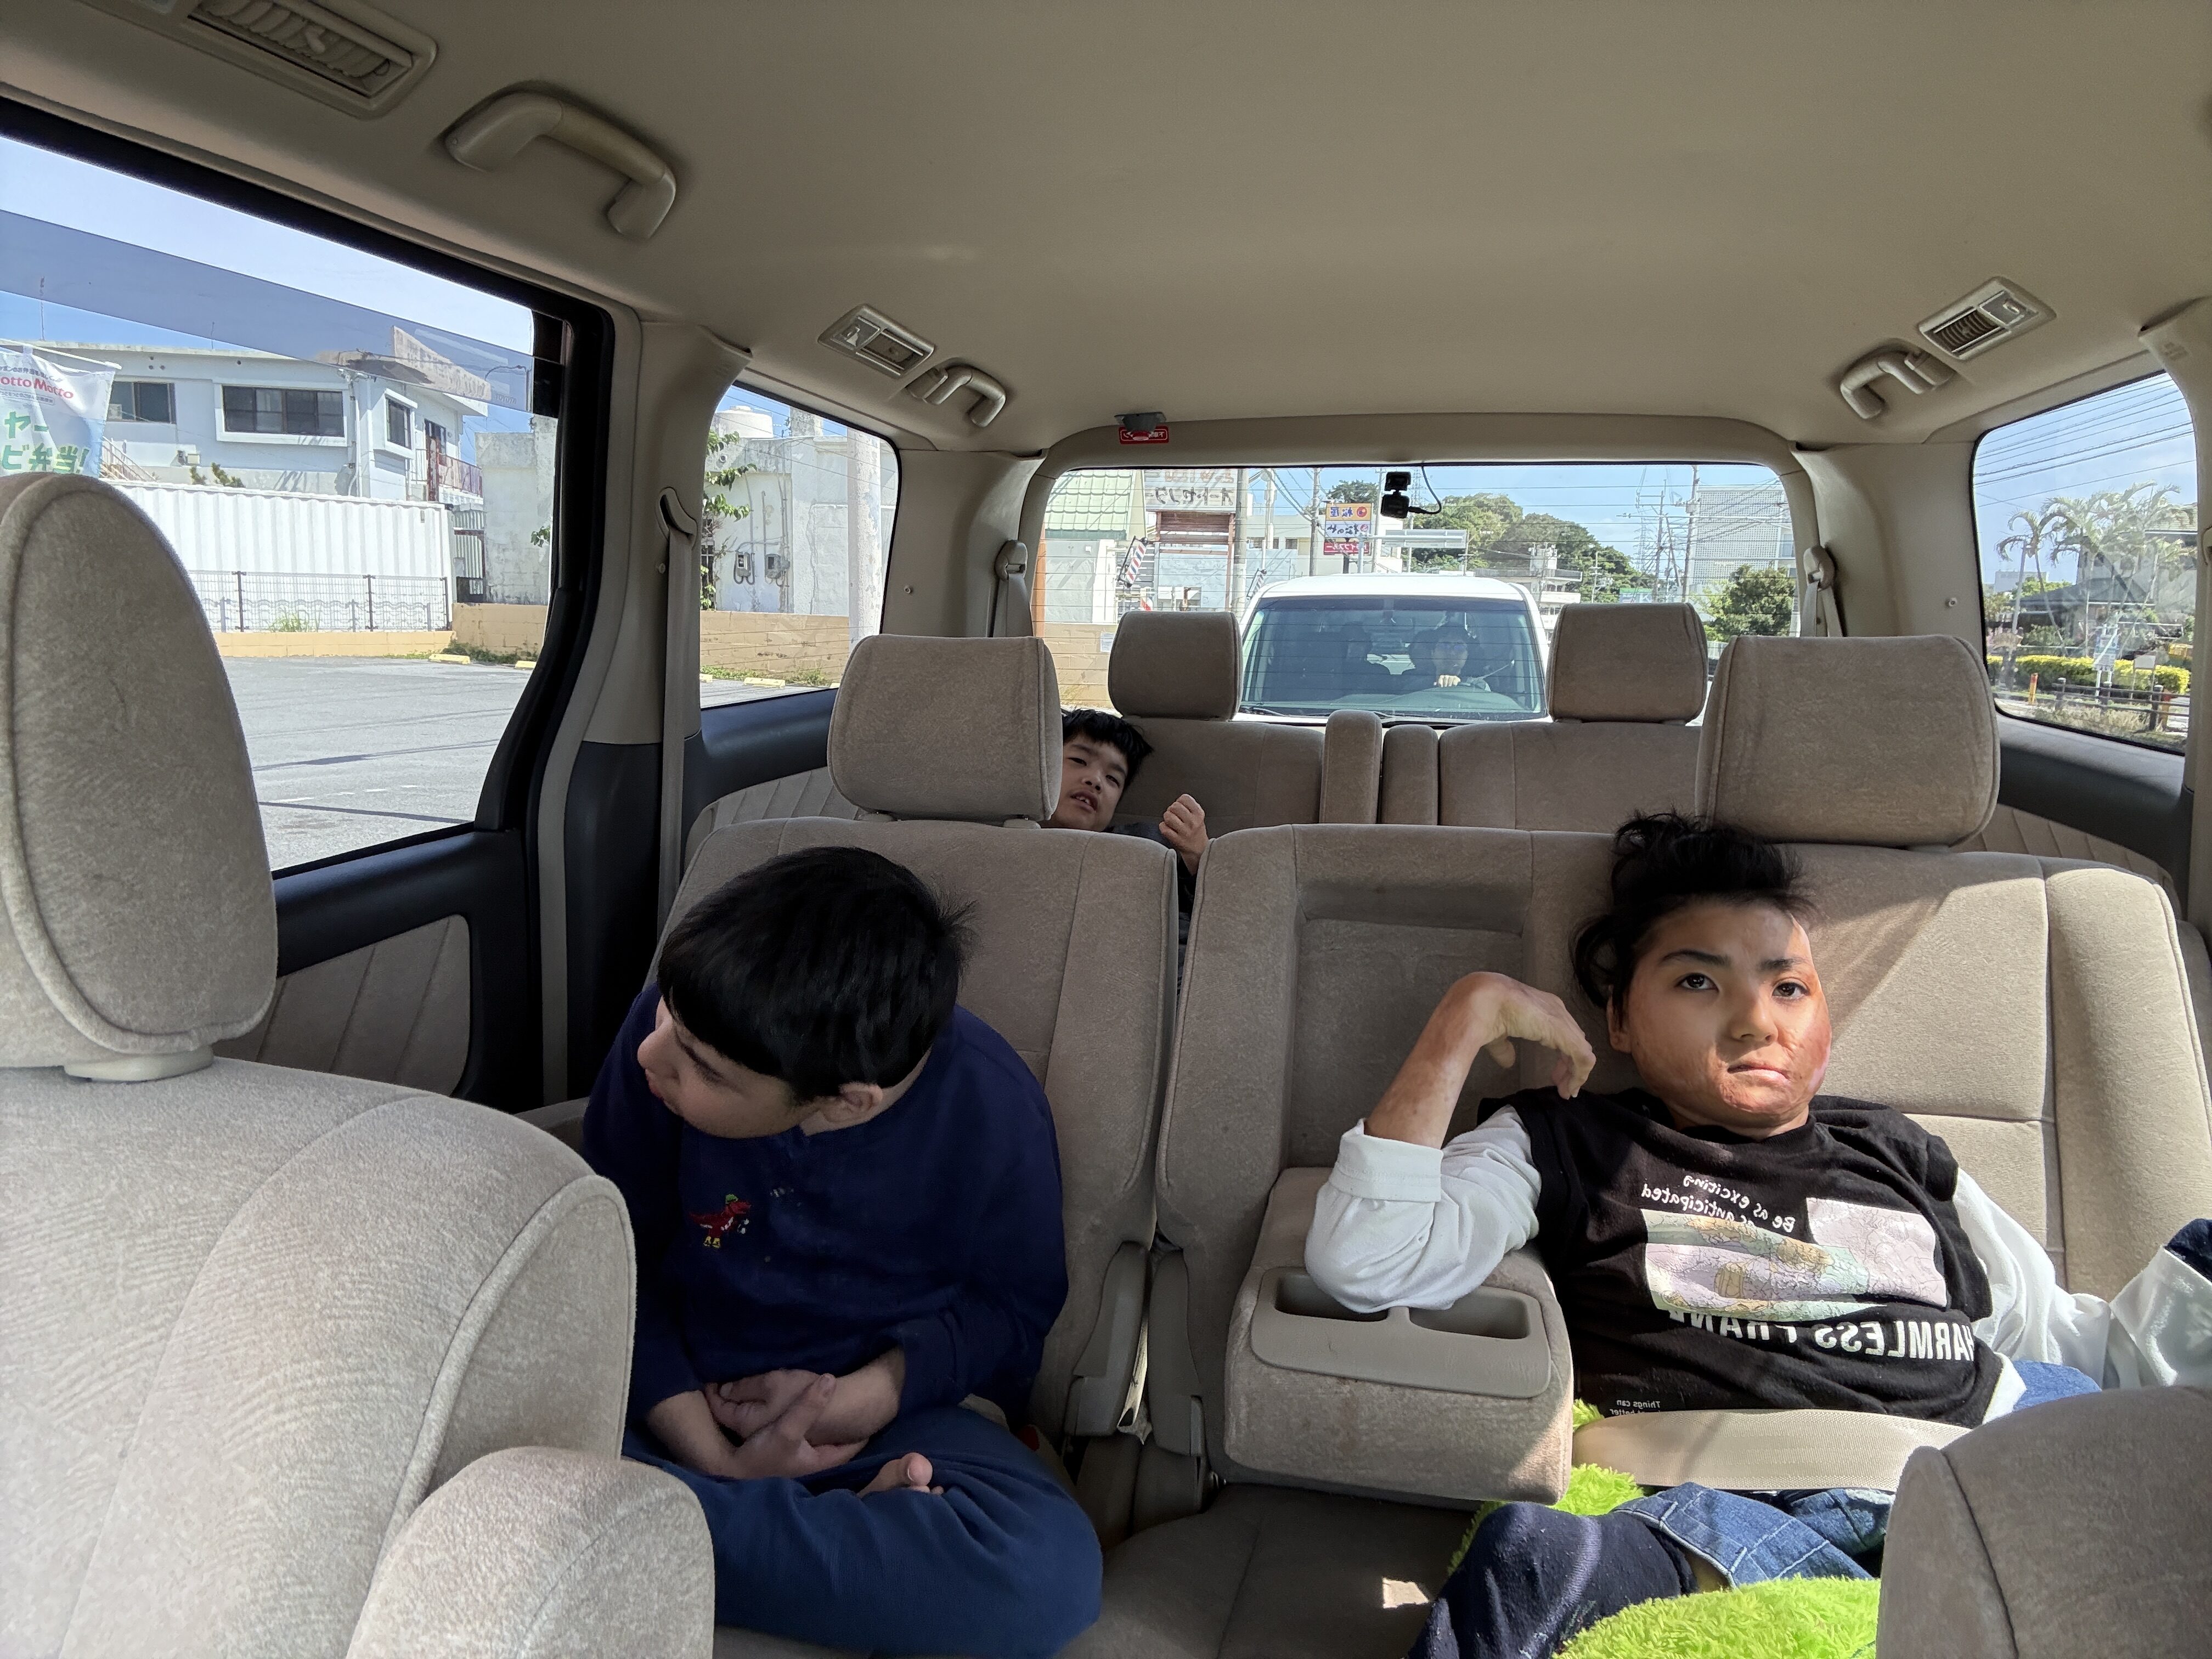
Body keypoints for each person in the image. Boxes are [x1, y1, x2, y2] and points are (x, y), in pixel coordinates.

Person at [1303, 813, 2212, 1659]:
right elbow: (1366, 1258)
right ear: (1619, 1017)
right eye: (1697, 981)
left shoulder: (1894, 1148)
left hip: (1994, 1467)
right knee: (1530, 1569)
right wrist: (1463, 1017)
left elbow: (2057, 1339)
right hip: (1731, 1511)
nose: (1755, 1020)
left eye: (1789, 987)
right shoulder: (1570, 1141)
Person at [581, 846, 1100, 1658]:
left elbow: (1011, 1311)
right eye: (665, 1023)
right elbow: (610, 1258)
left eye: (703, 1070)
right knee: (482, 1437)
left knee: (1046, 1575)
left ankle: (628, 1529)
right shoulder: (679, 1023)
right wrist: (712, 1454)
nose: (652, 1054)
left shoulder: (994, 1112)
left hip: (885, 1422)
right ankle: (811, 1533)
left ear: (845, 1103)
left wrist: (869, 1397)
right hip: (671, 1395)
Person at [1046, 708, 1206, 938]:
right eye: (1079, 760)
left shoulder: (1147, 847)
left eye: (1113, 779)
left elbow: (1202, 924)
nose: (1095, 780)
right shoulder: (1002, 840)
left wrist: (1199, 858)